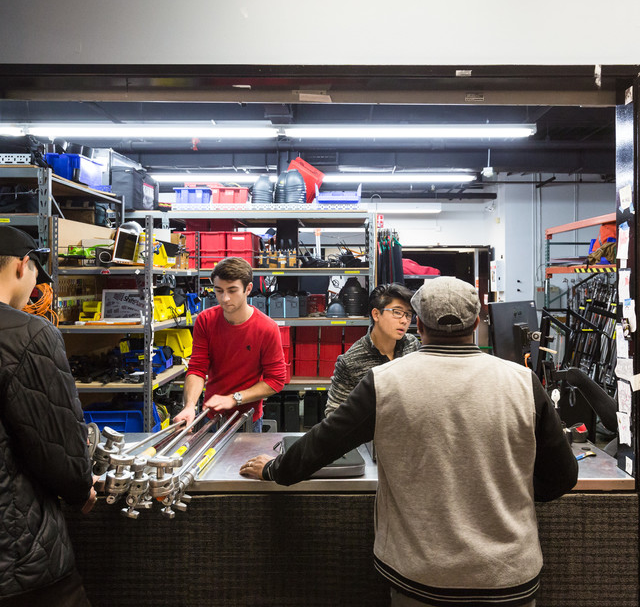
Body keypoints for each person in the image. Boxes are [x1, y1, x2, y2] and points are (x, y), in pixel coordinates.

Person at [240, 276, 578, 607]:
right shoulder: (523, 381)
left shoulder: (385, 382)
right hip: (509, 577)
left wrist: (274, 470)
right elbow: (562, 477)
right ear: (477, 322)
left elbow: (321, 445)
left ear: (419, 325)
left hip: (421, 578)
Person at [0, 226, 96, 607]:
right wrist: (79, 485)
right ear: (24, 266)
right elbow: (59, 449)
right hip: (18, 552)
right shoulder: (28, 334)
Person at [174, 256, 286, 432]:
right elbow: (197, 369)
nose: (225, 298)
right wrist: (189, 406)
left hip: (247, 419)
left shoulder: (266, 328)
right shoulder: (205, 320)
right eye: (219, 290)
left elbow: (276, 380)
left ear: (248, 289)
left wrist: (234, 398)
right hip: (210, 416)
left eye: (232, 290)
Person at [325, 282, 420, 416]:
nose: (404, 320)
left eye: (408, 315)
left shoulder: (412, 345)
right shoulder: (351, 361)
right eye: (397, 312)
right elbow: (334, 413)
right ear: (376, 314)